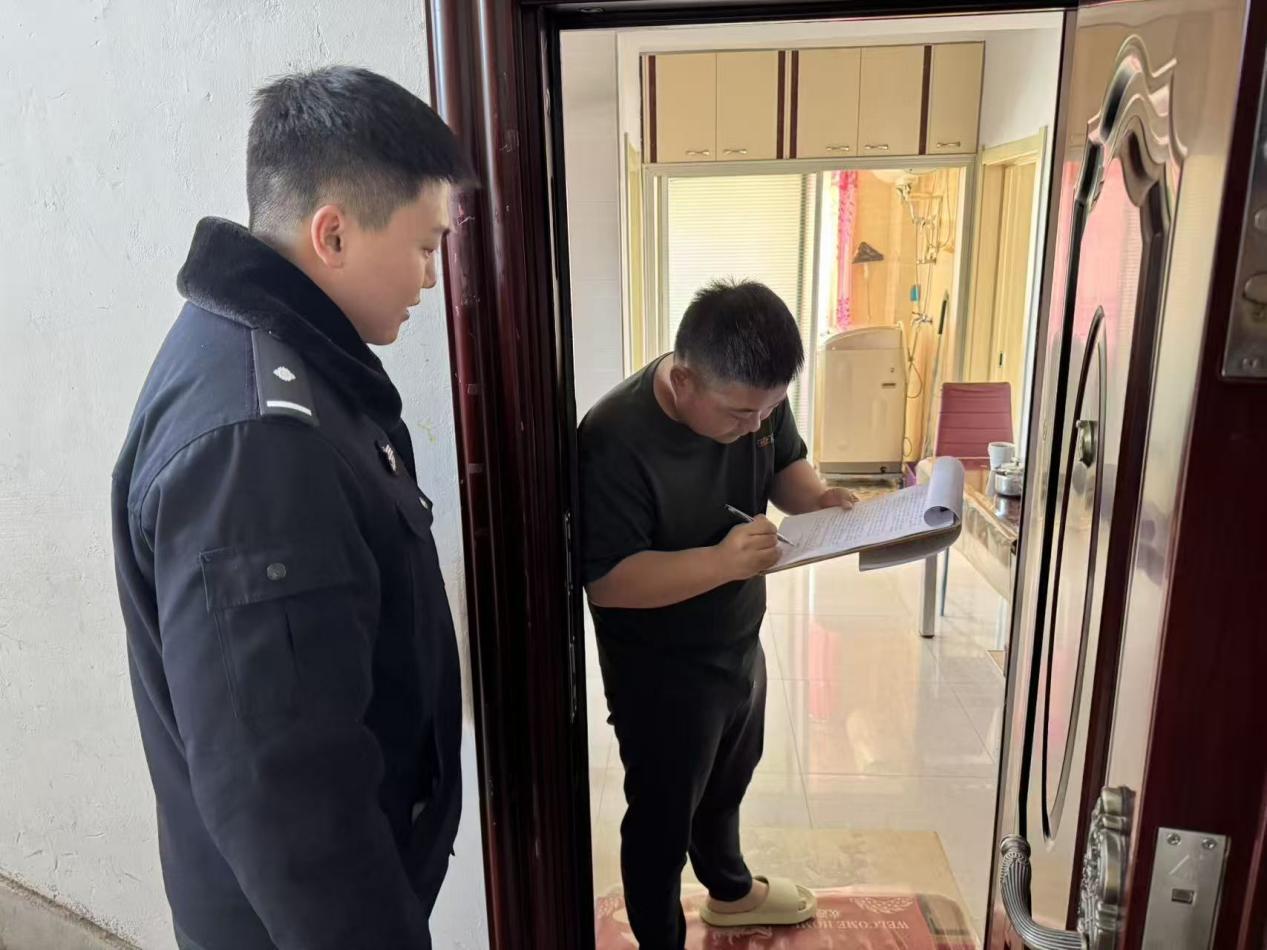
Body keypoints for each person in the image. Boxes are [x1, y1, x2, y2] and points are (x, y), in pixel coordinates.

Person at [111, 67, 473, 950]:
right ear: (333, 233)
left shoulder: (269, 361)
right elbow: (286, 798)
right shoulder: (260, 440)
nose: (433, 277)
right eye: (425, 245)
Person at [579, 279, 856, 948]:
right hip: (660, 669)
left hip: (737, 635)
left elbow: (785, 466)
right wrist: (722, 561)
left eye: (770, 410)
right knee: (662, 818)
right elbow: (609, 582)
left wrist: (819, 499)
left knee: (730, 776)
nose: (754, 426)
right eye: (739, 415)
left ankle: (729, 891)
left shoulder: (754, 399)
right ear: (683, 381)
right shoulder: (612, 438)